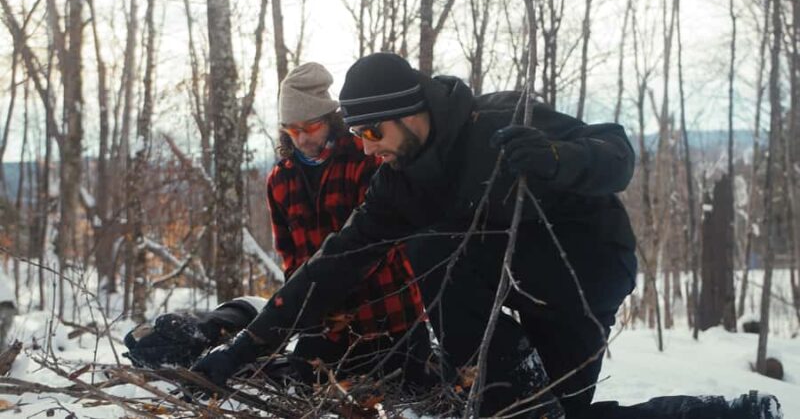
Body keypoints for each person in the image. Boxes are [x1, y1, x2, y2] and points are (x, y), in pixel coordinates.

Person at [192, 53, 782, 419]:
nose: (365, 146)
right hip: (490, 292)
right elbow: (330, 265)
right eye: (357, 132)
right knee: (430, 250)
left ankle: (725, 414)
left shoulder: (498, 123)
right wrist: (245, 349)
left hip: (579, 275)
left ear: (407, 113)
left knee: (560, 416)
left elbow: (616, 155)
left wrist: (556, 157)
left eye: (371, 131)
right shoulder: (398, 184)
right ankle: (501, 371)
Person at [125, 62, 431, 389]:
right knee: (297, 388)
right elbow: (293, 263)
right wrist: (285, 327)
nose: (300, 138)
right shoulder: (281, 180)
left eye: (310, 127)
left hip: (390, 321)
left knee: (405, 394)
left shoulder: (367, 158)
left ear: (330, 119)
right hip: (324, 329)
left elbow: (363, 253)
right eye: (291, 129)